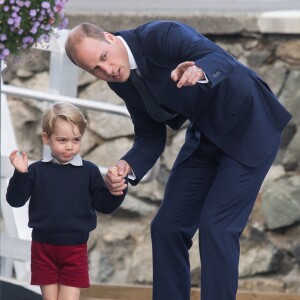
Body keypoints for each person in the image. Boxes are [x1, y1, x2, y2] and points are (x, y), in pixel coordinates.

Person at [65, 21, 292, 300]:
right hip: (207, 134)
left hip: (249, 125)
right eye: (94, 70)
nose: (107, 70)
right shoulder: (120, 80)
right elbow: (149, 137)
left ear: (110, 38)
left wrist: (200, 70)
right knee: (167, 227)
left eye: (103, 58)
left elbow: (221, 59)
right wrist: (128, 166)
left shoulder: (162, 35)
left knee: (217, 228)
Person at [6, 102, 127, 300]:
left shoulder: (89, 172)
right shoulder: (35, 171)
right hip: (42, 249)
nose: (70, 146)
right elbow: (15, 200)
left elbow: (105, 205)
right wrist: (20, 174)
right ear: (46, 138)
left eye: (76, 140)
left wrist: (118, 189)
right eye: (62, 140)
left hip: (75, 251)